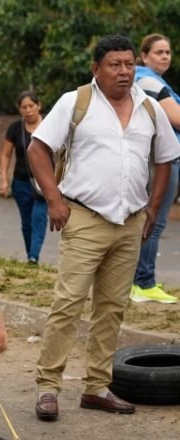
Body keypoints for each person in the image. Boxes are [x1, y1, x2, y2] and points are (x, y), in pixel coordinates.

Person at [27, 35, 180, 421]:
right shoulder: (75, 102)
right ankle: (48, 386)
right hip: (84, 217)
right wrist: (54, 200)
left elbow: (165, 159)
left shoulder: (149, 108)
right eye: (115, 64)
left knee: (111, 308)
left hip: (130, 222)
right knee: (68, 304)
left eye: (129, 64)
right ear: (96, 69)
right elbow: (37, 148)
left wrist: (153, 210)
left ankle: (96, 386)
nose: (124, 71)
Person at [131, 34, 180, 304]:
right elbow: (177, 119)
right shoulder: (147, 80)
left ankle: (138, 280)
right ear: (144, 55)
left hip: (156, 157)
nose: (165, 56)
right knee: (155, 220)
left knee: (148, 219)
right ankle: (143, 282)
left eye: (168, 52)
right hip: (161, 158)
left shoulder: (150, 80)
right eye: (159, 52)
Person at [0, 91, 48, 264]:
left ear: (39, 106)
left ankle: (34, 256)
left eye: (31, 106)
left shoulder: (50, 125)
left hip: (45, 182)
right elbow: (5, 154)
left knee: (39, 218)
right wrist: (4, 179)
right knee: (26, 222)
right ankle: (31, 256)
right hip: (21, 182)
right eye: (23, 107)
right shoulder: (15, 128)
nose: (28, 110)